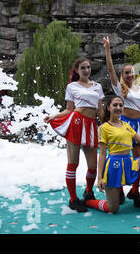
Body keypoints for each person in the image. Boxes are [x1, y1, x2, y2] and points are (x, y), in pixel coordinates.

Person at [85, 95, 140, 214]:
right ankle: (89, 201)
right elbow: (103, 154)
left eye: (121, 105)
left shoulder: (126, 125)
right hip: (113, 167)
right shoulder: (103, 128)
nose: (118, 107)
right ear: (108, 108)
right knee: (112, 209)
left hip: (129, 163)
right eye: (115, 105)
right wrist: (99, 178)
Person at [44, 58, 105, 212]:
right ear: (77, 70)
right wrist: (54, 116)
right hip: (76, 123)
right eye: (83, 67)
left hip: (91, 125)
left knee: (93, 166)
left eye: (88, 67)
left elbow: (100, 110)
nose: (86, 70)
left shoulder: (98, 87)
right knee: (73, 163)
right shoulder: (72, 86)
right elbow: (69, 109)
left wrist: (107, 121)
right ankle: (73, 199)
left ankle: (88, 192)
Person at [103, 36, 140, 208]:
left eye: (132, 72)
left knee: (138, 158)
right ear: (122, 75)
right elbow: (110, 70)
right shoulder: (120, 88)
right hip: (124, 124)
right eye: (126, 72)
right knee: (121, 156)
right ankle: (118, 189)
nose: (130, 74)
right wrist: (107, 50)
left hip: (138, 125)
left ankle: (134, 191)